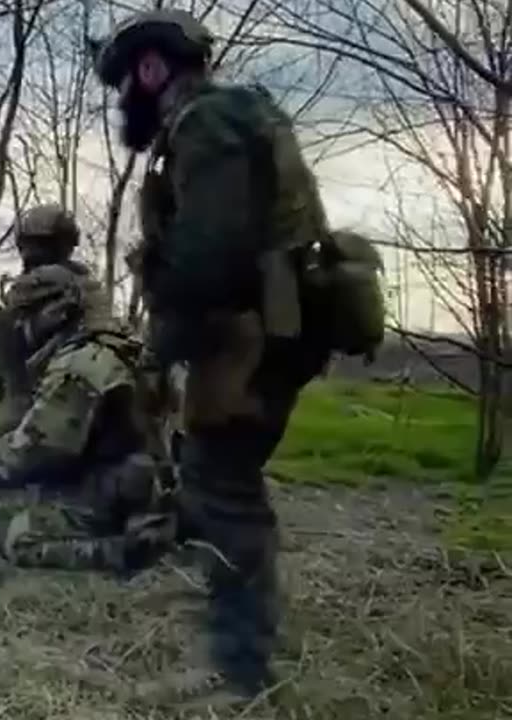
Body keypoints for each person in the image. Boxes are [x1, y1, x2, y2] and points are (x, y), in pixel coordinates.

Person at [94, 8, 333, 706]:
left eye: (125, 86)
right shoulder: (229, 117)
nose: (124, 104)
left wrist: (158, 350)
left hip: (253, 333)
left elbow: (208, 254)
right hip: (257, 327)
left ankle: (240, 677)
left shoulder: (208, 123)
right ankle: (233, 647)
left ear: (150, 69)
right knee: (212, 477)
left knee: (222, 485)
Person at [0, 262, 177, 577]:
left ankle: (123, 553)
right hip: (136, 476)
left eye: (28, 314)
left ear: (56, 312)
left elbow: (39, 448)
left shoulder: (80, 364)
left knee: (21, 536)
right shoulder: (114, 344)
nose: (21, 325)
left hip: (119, 487)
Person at [0, 204, 114, 445]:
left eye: (33, 244)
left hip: (50, 390)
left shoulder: (45, 279)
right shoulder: (87, 282)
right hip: (94, 386)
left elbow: (12, 309)